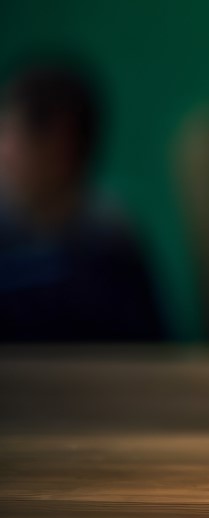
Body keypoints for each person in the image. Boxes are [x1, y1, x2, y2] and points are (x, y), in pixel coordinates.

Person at [0, 60, 163, 340]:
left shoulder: (109, 242)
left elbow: (144, 350)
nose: (3, 151)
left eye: (10, 132)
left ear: (62, 142)